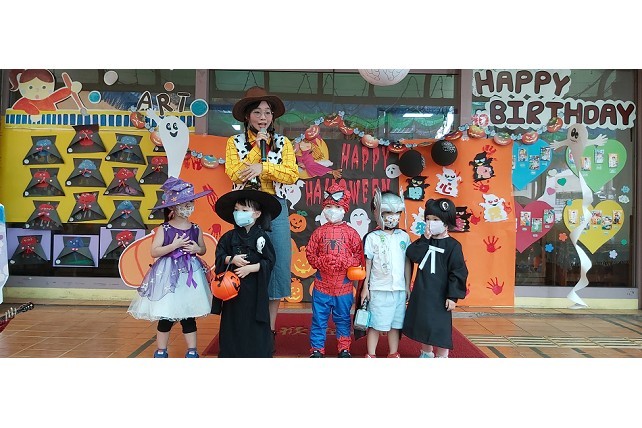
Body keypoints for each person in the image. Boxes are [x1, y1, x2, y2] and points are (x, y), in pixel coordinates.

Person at [225, 86, 299, 347]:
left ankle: (268, 331)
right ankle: (245, 328)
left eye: (267, 112)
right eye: (257, 112)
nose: (263, 117)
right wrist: (258, 148)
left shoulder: (283, 143)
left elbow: (292, 174)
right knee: (244, 261)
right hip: (245, 207)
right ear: (247, 116)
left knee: (277, 264)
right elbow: (235, 173)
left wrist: (263, 167)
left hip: (275, 207)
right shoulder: (233, 143)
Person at [127, 176, 214, 358]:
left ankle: (192, 350)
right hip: (167, 275)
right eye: (184, 203)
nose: (188, 206)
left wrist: (197, 249)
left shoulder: (196, 228)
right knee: (166, 315)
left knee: (188, 315)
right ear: (173, 207)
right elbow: (154, 251)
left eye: (190, 203)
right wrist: (173, 245)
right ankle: (161, 350)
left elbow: (203, 249)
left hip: (190, 275)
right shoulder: (165, 229)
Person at [211, 188, 281, 358]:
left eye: (244, 210)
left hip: (255, 290)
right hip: (232, 292)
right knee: (232, 321)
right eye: (236, 210)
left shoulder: (262, 237)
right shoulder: (229, 237)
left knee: (255, 323)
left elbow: (269, 261)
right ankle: (231, 353)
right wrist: (231, 259)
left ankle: (258, 353)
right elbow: (219, 256)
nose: (239, 213)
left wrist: (251, 268)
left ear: (256, 214)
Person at [403, 197, 468, 358]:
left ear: (446, 222)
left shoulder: (453, 246)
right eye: (428, 219)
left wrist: (452, 296)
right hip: (423, 290)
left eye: (435, 219)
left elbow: (458, 271)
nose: (431, 223)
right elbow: (412, 254)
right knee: (423, 323)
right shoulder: (425, 241)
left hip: (441, 294)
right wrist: (424, 239)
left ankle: (442, 355)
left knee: (440, 326)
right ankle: (426, 353)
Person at [305, 183, 364, 358]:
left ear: (344, 209)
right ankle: (317, 349)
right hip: (321, 286)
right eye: (329, 206)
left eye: (337, 207)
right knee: (319, 320)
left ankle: (344, 348)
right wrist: (321, 261)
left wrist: (345, 261)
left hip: (344, 288)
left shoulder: (352, 233)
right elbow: (310, 254)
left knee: (344, 320)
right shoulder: (318, 233)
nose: (333, 211)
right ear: (324, 208)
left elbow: (359, 257)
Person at [359, 189, 411, 358]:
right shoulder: (372, 237)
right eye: (388, 212)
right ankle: (371, 354)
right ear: (378, 212)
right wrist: (365, 287)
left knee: (396, 324)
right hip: (378, 288)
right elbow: (368, 263)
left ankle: (393, 353)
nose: (393, 217)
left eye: (397, 213)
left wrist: (407, 285)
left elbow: (407, 262)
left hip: (399, 289)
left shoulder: (404, 236)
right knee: (375, 323)